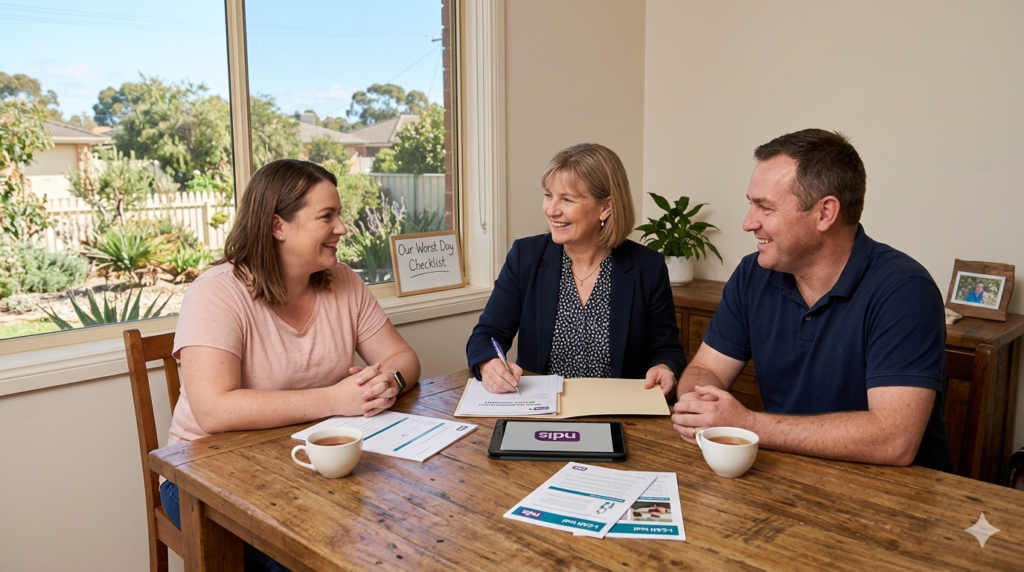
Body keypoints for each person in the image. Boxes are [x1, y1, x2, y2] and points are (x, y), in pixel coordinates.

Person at [161, 159, 421, 570]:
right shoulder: (216, 294)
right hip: (203, 479)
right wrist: (335, 399)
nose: (341, 228)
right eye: (327, 216)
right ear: (278, 226)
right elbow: (213, 409)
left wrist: (390, 380)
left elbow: (403, 357)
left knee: (401, 535)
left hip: (305, 461)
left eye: (339, 215)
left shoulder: (344, 281)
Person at [671, 129, 951, 471]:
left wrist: (750, 424)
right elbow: (706, 368)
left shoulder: (905, 290)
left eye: (766, 207)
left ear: (825, 213)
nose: (748, 222)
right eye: (751, 203)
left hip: (891, 499)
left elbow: (894, 440)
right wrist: (700, 403)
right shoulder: (752, 274)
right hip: (785, 475)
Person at [466, 143, 686, 395]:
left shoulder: (648, 267)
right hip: (541, 411)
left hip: (618, 413)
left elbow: (668, 351)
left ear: (606, 207)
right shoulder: (525, 257)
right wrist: (488, 363)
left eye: (567, 199)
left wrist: (664, 367)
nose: (551, 210)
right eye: (548, 195)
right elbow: (486, 334)